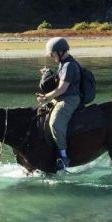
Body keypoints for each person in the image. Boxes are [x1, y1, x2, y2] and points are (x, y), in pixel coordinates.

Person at [36, 37, 81, 170]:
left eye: (52, 53)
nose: (50, 56)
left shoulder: (69, 65)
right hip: (62, 97)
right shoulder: (63, 63)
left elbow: (62, 89)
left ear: (60, 52)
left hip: (70, 99)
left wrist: (46, 97)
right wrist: (47, 73)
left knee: (55, 123)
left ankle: (63, 156)